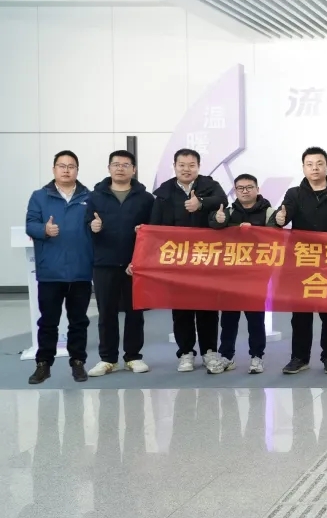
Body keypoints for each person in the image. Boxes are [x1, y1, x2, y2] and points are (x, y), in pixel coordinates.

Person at [275, 147, 327, 375]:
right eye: (309, 164)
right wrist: (279, 219)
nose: (315, 168)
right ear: (303, 168)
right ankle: (299, 358)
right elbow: (282, 217)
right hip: (302, 263)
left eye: (319, 164)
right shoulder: (294, 194)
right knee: (300, 315)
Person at [150, 148, 228, 373]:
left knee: (208, 308)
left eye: (191, 165)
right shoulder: (164, 192)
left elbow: (222, 201)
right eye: (182, 165)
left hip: (206, 259)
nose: (186, 169)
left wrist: (200, 203)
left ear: (198, 167)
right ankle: (185, 352)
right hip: (177, 261)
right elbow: (154, 227)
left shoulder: (209, 186)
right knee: (181, 309)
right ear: (174, 166)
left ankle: (209, 351)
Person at [25, 151, 95, 384]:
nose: (66, 170)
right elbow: (30, 225)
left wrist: (98, 226)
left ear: (77, 170)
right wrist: (43, 230)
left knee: (79, 321)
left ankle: (78, 362)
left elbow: (97, 227)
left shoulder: (89, 197)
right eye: (61, 166)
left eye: (71, 166)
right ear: (54, 169)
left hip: (80, 270)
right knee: (48, 321)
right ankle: (43, 364)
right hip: (51, 271)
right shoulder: (39, 196)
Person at [84, 150, 154, 378]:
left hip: (135, 265)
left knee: (135, 312)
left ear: (134, 170)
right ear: (109, 168)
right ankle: (108, 359)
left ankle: (133, 357)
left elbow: (153, 232)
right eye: (116, 164)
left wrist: (142, 250)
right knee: (106, 313)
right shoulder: (95, 196)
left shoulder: (146, 199)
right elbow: (85, 224)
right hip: (104, 263)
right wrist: (92, 226)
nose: (120, 168)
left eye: (125, 165)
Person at [211, 174, 276, 374]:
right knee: (228, 319)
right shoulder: (228, 212)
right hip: (231, 275)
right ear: (235, 191)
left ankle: (257, 357)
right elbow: (214, 227)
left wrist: (254, 231)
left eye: (249, 187)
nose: (245, 191)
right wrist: (217, 220)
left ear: (257, 189)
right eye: (240, 188)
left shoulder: (269, 212)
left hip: (256, 275)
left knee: (255, 318)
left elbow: (276, 235)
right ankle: (226, 356)